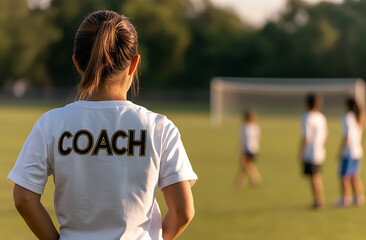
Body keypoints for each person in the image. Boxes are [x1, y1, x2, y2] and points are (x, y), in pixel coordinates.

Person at [8, 10, 197, 240]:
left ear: (77, 63)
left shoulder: (52, 123)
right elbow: (183, 211)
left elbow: (24, 198)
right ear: (134, 64)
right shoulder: (159, 127)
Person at [299, 93, 328, 209]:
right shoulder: (321, 117)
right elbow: (325, 135)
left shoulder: (307, 117)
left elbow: (306, 137)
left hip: (311, 152)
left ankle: (319, 200)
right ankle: (318, 199)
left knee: (314, 177)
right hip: (320, 150)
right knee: (316, 175)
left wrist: (301, 152)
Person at [335, 98, 364, 207]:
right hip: (358, 151)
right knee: (354, 175)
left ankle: (345, 199)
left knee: (344, 176)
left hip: (349, 151)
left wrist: (341, 151)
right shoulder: (358, 117)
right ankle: (358, 197)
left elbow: (347, 136)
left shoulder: (347, 117)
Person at [236, 109, 261, 187]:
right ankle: (241, 181)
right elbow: (258, 138)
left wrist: (239, 148)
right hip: (255, 148)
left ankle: (255, 178)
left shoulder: (245, 128)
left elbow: (242, 139)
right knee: (247, 165)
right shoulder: (256, 127)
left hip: (248, 149)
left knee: (246, 165)